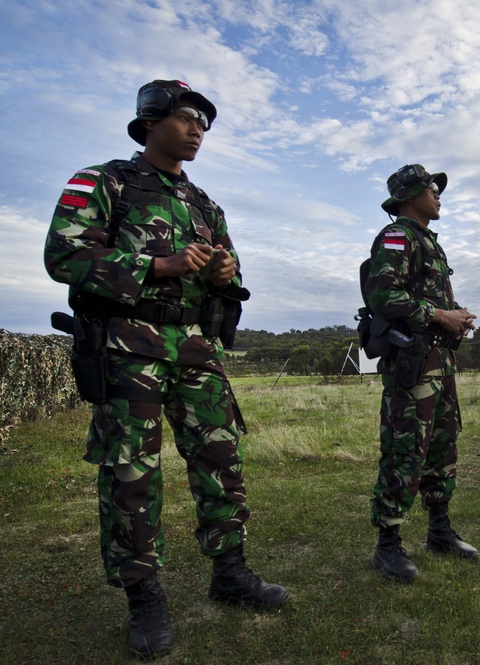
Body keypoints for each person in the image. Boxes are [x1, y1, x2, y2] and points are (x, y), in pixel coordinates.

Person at [43, 80, 287, 658]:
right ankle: (143, 597)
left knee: (221, 461)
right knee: (132, 475)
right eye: (186, 117)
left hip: (199, 351)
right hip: (130, 350)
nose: (198, 129)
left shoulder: (205, 204)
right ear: (150, 122)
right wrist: (158, 265)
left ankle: (230, 572)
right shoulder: (104, 183)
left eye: (205, 122)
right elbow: (65, 255)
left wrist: (226, 271)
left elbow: (229, 271)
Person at [366, 164, 478, 581]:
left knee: (442, 446)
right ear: (411, 194)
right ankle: (388, 545)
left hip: (439, 362)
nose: (439, 194)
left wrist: (454, 319)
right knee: (405, 448)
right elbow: (383, 294)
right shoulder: (398, 236)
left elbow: (422, 300)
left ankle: (439, 531)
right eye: (433, 188)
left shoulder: (429, 242)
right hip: (413, 363)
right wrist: (439, 315)